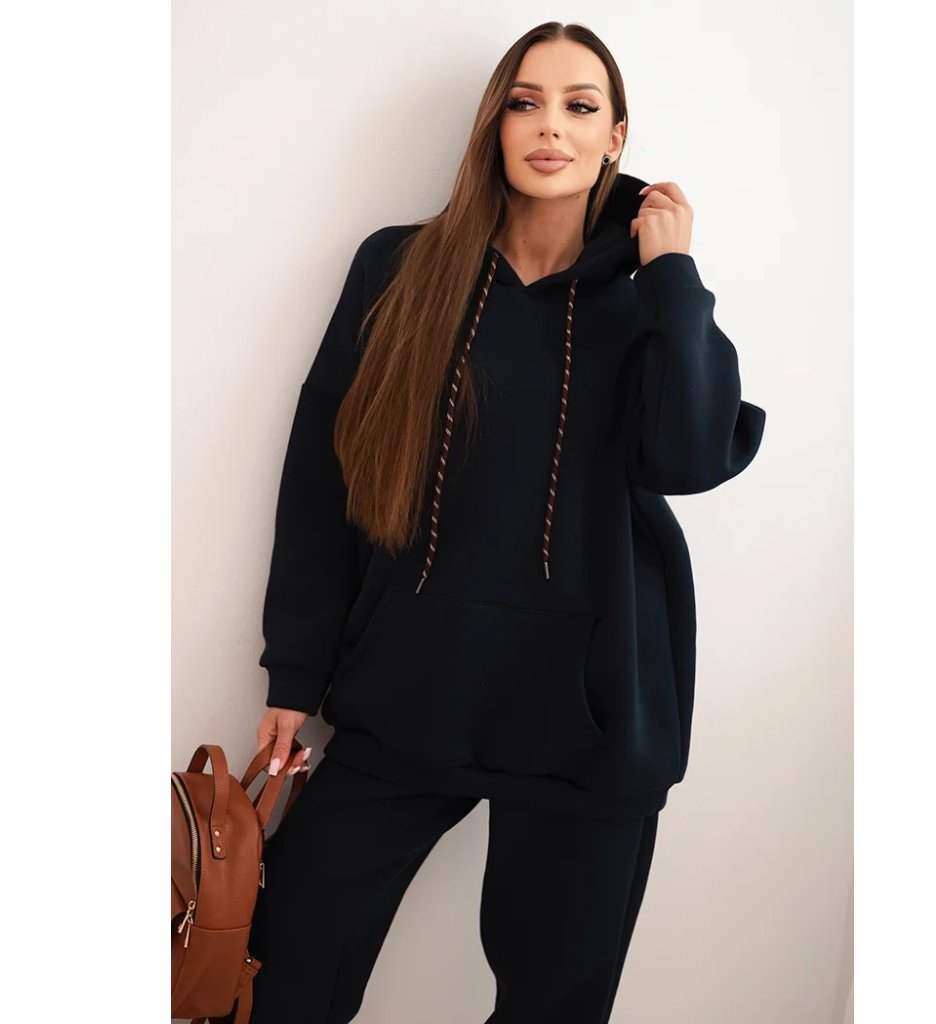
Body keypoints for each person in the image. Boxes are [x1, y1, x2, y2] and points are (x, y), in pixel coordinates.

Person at [246, 20, 766, 1024]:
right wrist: (293, 674)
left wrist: (673, 275)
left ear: (616, 137)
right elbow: (322, 480)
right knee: (282, 981)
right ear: (494, 124)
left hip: (592, 718)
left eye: (580, 106)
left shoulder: (650, 304)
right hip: (408, 691)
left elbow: (692, 458)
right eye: (525, 103)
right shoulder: (401, 269)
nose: (550, 127)